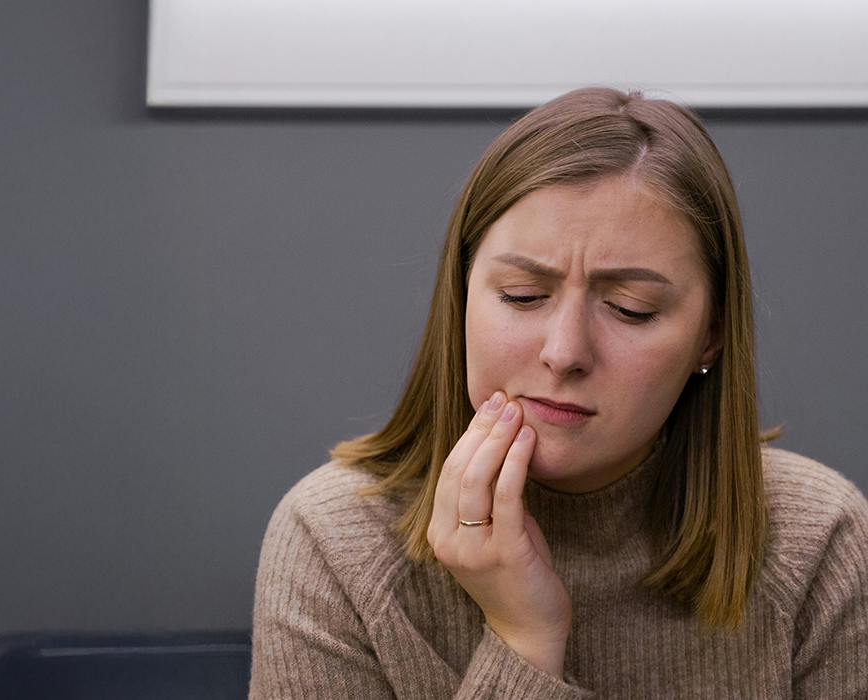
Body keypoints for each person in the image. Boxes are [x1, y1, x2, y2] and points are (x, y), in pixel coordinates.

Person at [249, 88, 868, 699]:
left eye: (631, 309)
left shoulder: (821, 539)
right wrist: (524, 643)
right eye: (522, 295)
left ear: (711, 337)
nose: (565, 351)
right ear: (461, 299)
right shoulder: (331, 540)